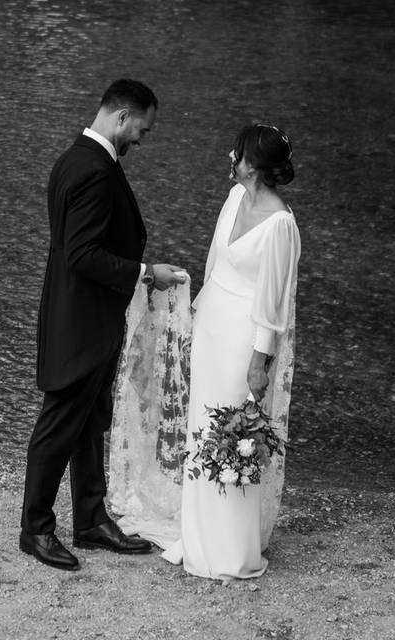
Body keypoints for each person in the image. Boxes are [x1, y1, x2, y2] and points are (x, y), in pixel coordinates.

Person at [20, 78, 186, 571]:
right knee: (59, 425)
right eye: (142, 128)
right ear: (120, 116)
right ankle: (36, 529)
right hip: (82, 322)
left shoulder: (78, 159)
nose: (142, 138)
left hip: (82, 316)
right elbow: (83, 255)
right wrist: (143, 274)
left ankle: (91, 519)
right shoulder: (93, 171)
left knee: (92, 422)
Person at [162, 123, 301, 580]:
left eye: (238, 154)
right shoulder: (235, 197)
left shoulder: (280, 225)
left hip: (243, 335)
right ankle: (198, 536)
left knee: (233, 432)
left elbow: (274, 303)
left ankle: (230, 550)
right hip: (213, 327)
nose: (232, 159)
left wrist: (260, 361)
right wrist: (196, 311)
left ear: (256, 165)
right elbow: (215, 262)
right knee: (202, 425)